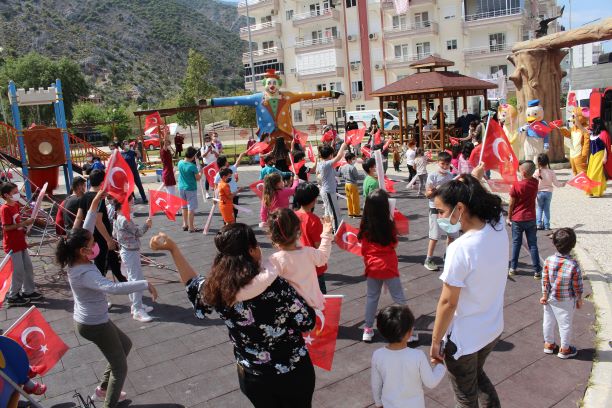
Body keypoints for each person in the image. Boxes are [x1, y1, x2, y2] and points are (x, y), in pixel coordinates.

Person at [149, 225, 317, 407]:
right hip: (292, 372)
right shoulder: (276, 287)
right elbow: (307, 322)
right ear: (252, 251)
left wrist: (174, 249)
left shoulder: (217, 290)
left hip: (252, 376)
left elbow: (192, 285)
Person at [57, 190, 157, 408]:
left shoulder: (76, 254)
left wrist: (96, 199)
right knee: (120, 367)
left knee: (126, 345)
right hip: (93, 324)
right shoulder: (85, 273)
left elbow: (89, 222)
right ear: (84, 251)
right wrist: (143, 283)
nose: (96, 243)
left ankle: (103, 388)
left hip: (94, 319)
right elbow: (112, 287)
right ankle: (108, 403)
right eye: (93, 242)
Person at [429, 171, 507, 408]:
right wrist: (472, 178)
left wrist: (435, 341)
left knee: (465, 397)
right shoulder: (497, 224)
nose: (440, 217)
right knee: (476, 376)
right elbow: (478, 194)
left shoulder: (460, 249)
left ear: (460, 208)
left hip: (463, 340)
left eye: (441, 211)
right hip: (492, 328)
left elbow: (447, 303)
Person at [359, 189, 414, 343]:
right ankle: (409, 330)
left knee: (371, 298)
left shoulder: (364, 225)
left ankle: (368, 329)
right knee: (399, 299)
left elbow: (363, 249)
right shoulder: (389, 225)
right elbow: (394, 244)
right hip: (389, 267)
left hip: (372, 267)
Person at [371, 305, 446, 408]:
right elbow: (431, 383)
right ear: (409, 333)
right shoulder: (417, 356)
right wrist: (441, 365)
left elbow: (376, 384)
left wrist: (378, 403)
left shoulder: (378, 355)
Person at [267, 208, 332, 311]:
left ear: (273, 236)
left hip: (294, 312)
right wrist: (327, 233)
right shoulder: (308, 252)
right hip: (315, 306)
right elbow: (323, 257)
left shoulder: (275, 260)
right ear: (298, 230)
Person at [73, 170, 126, 284]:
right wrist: (109, 240)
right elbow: (98, 222)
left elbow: (78, 217)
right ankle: (102, 291)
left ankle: (123, 281)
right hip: (100, 238)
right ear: (102, 183)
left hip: (91, 236)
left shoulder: (85, 196)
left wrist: (73, 234)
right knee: (100, 266)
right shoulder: (99, 199)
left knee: (113, 261)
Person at [540, 227, 583, 359]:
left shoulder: (548, 260)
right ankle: (565, 349)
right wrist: (579, 298)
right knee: (565, 324)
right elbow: (577, 284)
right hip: (566, 299)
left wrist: (544, 295)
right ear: (573, 245)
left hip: (550, 298)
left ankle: (549, 344)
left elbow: (545, 280)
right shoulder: (573, 264)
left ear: (554, 243)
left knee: (548, 321)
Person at [112, 194, 154, 323]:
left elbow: (115, 234)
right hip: (130, 252)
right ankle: (137, 309)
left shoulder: (118, 217)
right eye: (131, 202)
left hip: (126, 251)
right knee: (136, 279)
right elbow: (138, 232)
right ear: (124, 204)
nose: (133, 205)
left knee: (132, 278)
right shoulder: (125, 219)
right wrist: (147, 225)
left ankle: (137, 305)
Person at [2, 183, 38, 307]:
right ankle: (13, 295)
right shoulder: (5, 209)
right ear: (6, 195)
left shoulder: (16, 205)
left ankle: (28, 291)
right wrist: (23, 224)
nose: (18, 194)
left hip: (20, 242)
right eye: (14, 192)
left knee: (28, 267)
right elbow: (6, 227)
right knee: (18, 271)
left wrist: (26, 226)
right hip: (12, 245)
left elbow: (17, 221)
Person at [508, 160, 542, 279]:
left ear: (522, 172)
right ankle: (537, 270)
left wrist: (509, 217)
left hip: (518, 218)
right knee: (533, 244)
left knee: (516, 243)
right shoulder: (535, 183)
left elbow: (511, 204)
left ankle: (513, 267)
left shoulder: (517, 185)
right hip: (531, 217)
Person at [294, 183, 329, 293]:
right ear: (313, 200)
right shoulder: (314, 220)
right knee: (320, 299)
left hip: (297, 263)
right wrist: (327, 232)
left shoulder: (291, 216)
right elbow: (318, 245)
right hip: (313, 265)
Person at [424, 151, 456, 272]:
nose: (444, 166)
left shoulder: (450, 176)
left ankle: (448, 255)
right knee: (435, 235)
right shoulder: (432, 176)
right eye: (442, 164)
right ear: (438, 162)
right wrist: (434, 191)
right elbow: (427, 194)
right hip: (435, 209)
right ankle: (428, 259)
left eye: (447, 164)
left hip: (448, 209)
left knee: (451, 234)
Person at [317, 142, 348, 230]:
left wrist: (341, 168)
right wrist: (343, 145)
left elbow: (337, 173)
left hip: (329, 191)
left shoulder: (327, 165)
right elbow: (338, 157)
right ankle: (336, 230)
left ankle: (327, 229)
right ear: (330, 155)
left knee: (328, 211)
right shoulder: (325, 164)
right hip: (328, 192)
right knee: (334, 212)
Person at [534, 153, 565, 230]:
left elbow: (533, 182)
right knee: (546, 209)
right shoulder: (551, 172)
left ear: (538, 162)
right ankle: (547, 225)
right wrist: (562, 184)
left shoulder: (536, 172)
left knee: (539, 208)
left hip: (539, 192)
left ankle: (538, 224)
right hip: (548, 192)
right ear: (548, 162)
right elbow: (556, 184)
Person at [214, 152, 247, 221]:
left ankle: (231, 224)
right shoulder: (227, 171)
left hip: (230, 196)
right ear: (224, 163)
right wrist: (241, 155)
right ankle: (230, 225)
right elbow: (216, 186)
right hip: (229, 196)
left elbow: (215, 187)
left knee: (232, 212)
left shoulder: (223, 172)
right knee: (230, 213)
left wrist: (215, 197)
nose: (227, 162)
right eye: (226, 160)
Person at [178, 146, 202, 233]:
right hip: (190, 188)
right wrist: (200, 172)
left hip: (181, 187)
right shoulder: (192, 166)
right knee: (191, 208)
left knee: (184, 207)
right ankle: (191, 227)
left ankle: (185, 224)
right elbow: (198, 178)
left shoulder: (180, 162)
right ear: (193, 156)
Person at [586, 117, 608, 197]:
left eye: (594, 123)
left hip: (600, 155)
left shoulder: (604, 133)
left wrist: (605, 157)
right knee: (591, 173)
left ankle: (596, 192)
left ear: (597, 124)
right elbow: (582, 129)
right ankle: (592, 191)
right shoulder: (592, 133)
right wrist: (576, 119)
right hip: (592, 156)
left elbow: (606, 146)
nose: (592, 125)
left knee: (596, 174)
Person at [340, 152, 361, 218]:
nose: (354, 160)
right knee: (355, 200)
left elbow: (342, 176)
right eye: (353, 159)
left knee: (349, 199)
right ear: (349, 160)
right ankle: (356, 213)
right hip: (353, 184)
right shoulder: (352, 167)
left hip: (346, 184)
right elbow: (357, 177)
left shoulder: (343, 167)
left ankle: (350, 213)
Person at [200, 134, 219, 199]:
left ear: (211, 141)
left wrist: (214, 152)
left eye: (209, 140)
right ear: (205, 141)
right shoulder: (203, 148)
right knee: (207, 179)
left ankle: (216, 191)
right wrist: (208, 150)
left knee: (216, 178)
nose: (208, 142)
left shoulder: (215, 146)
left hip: (214, 164)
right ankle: (207, 193)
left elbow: (217, 156)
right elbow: (203, 156)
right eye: (206, 141)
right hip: (207, 165)